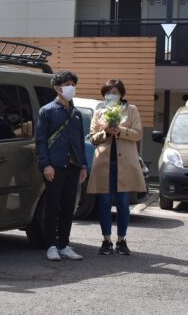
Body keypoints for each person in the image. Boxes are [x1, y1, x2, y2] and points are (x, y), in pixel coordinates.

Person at [87, 79, 145, 255]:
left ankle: (121, 240)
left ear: (121, 93)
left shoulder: (131, 110)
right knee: (104, 202)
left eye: (115, 92)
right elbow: (92, 138)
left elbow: (138, 134)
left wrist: (120, 131)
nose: (111, 95)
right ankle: (106, 240)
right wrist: (105, 131)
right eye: (108, 92)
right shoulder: (99, 111)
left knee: (122, 202)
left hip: (125, 164)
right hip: (104, 162)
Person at [36, 71, 88, 261]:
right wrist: (45, 165)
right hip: (55, 166)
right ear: (57, 87)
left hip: (73, 166)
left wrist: (83, 165)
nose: (71, 87)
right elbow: (40, 140)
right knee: (52, 206)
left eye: (73, 84)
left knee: (68, 207)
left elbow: (80, 142)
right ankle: (51, 245)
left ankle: (64, 244)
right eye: (67, 84)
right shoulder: (47, 110)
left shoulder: (76, 114)